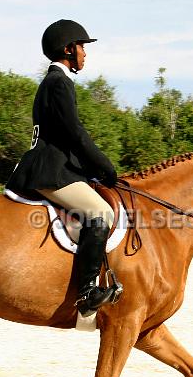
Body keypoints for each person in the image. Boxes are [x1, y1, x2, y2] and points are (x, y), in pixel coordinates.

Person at [6, 19, 119, 317]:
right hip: (51, 170)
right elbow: (75, 133)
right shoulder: (59, 83)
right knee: (101, 213)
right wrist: (104, 166)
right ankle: (86, 293)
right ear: (68, 49)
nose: (85, 53)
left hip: (54, 166)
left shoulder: (53, 81)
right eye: (81, 46)